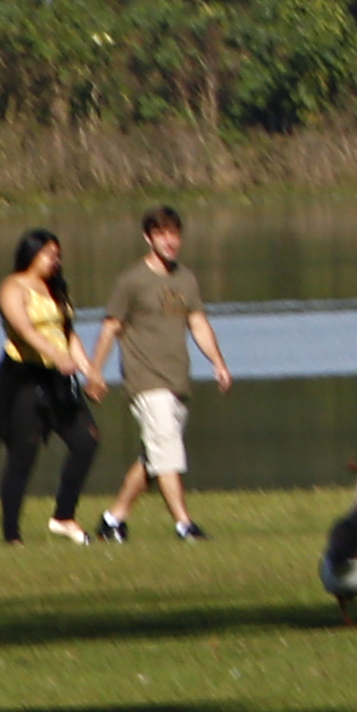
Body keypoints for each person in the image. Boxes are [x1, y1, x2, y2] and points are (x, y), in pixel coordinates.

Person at [91, 205, 231, 544]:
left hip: (176, 380)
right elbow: (111, 327)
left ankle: (113, 520)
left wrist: (218, 362)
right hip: (146, 381)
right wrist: (95, 372)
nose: (170, 241)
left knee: (155, 457)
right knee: (167, 449)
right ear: (148, 238)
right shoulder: (132, 280)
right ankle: (185, 525)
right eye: (162, 234)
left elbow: (197, 322)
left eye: (174, 234)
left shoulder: (185, 279)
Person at [0, 228, 102, 547]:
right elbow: (24, 330)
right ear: (31, 254)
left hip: (58, 378)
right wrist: (55, 355)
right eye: (49, 253)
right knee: (24, 454)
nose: (55, 260)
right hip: (24, 378)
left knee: (86, 440)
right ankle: (11, 535)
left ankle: (63, 515)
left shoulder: (56, 289)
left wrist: (90, 371)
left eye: (58, 254)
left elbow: (68, 333)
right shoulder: (13, 287)